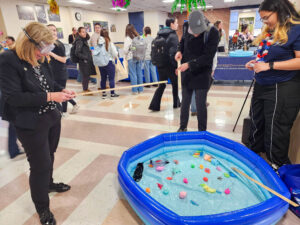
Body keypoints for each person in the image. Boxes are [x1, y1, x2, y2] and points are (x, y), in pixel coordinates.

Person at [0, 22, 75, 225]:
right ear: (29, 43)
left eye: (47, 50)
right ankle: (42, 208)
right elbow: (13, 98)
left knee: (49, 156)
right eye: (42, 49)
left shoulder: (39, 58)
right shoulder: (8, 59)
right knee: (40, 165)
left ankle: (48, 184)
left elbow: (48, 83)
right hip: (30, 123)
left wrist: (62, 91)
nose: (44, 54)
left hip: (51, 117)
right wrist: (52, 95)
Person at [245, 0, 300, 170]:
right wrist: (257, 62)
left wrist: (270, 66)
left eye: (266, 17)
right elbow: (270, 54)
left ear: (279, 11)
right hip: (262, 84)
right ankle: (255, 164)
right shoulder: (271, 30)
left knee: (275, 132)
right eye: (262, 19)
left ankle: (278, 171)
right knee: (256, 125)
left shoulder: (295, 29)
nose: (265, 21)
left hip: (282, 86)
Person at [175, 10, 219, 132]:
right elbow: (182, 41)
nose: (195, 34)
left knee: (200, 104)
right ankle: (182, 127)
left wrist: (189, 64)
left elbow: (208, 57)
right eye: (193, 32)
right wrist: (179, 51)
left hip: (202, 71)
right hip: (187, 70)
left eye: (198, 32)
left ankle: (202, 131)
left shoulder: (213, 32)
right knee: (185, 102)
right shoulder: (185, 26)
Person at [148, 17, 181, 111]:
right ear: (171, 24)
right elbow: (173, 52)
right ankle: (176, 103)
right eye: (176, 23)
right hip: (170, 65)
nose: (177, 24)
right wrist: (176, 66)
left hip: (160, 64)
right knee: (175, 84)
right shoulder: (173, 35)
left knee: (162, 85)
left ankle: (154, 105)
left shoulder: (159, 34)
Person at [47, 24, 79, 114]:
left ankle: (64, 112)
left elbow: (64, 59)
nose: (53, 32)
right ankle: (73, 105)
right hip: (53, 72)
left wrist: (50, 53)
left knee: (61, 92)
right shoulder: (50, 44)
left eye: (54, 30)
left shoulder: (59, 44)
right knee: (57, 92)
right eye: (50, 30)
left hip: (60, 73)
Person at [98, 29, 119, 98]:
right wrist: (116, 55)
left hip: (101, 63)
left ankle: (104, 93)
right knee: (111, 79)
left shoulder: (98, 43)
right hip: (109, 62)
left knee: (103, 78)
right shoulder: (110, 43)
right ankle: (112, 93)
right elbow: (115, 54)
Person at [124, 24, 144, 94]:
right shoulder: (138, 37)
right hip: (139, 57)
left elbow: (125, 50)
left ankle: (135, 90)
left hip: (131, 58)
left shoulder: (127, 38)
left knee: (133, 74)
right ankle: (140, 89)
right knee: (139, 73)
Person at [75, 27, 96, 93]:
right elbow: (77, 52)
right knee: (85, 76)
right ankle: (85, 89)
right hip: (84, 61)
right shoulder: (79, 41)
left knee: (87, 75)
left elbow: (87, 48)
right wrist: (85, 57)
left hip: (86, 61)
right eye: (83, 32)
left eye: (85, 32)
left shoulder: (84, 40)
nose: (85, 33)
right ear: (79, 33)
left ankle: (86, 88)